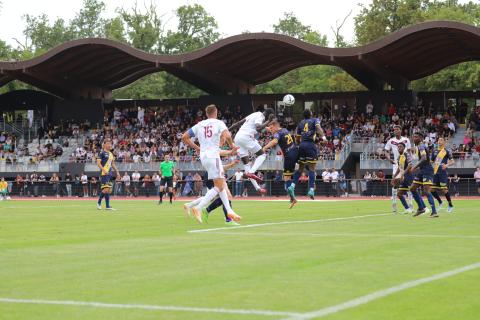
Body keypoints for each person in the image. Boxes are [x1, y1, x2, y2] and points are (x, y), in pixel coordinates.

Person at [182, 104, 241, 223]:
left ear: (206, 114)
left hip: (204, 157)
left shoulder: (200, 124)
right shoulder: (219, 123)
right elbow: (227, 135)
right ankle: (198, 207)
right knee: (219, 186)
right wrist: (232, 145)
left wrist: (197, 147)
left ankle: (229, 211)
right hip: (213, 157)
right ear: (216, 112)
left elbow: (184, 137)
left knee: (221, 185)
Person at [229, 106, 275, 195]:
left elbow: (239, 123)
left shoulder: (254, 114)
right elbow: (258, 128)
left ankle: (257, 188)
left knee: (247, 164)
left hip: (238, 138)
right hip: (246, 137)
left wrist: (227, 130)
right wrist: (268, 121)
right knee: (262, 155)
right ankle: (251, 172)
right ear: (269, 115)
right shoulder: (261, 116)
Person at [288, 109, 327, 200]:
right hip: (310, 146)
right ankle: (311, 190)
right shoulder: (314, 120)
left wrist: (300, 143)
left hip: (302, 146)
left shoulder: (301, 123)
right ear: (310, 114)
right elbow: (318, 128)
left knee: (300, 169)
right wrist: (324, 137)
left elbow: (297, 138)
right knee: (312, 169)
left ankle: (292, 186)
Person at [263, 119, 299, 207]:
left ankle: (292, 197)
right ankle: (293, 196)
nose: (271, 130)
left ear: (275, 126)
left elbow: (275, 141)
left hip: (288, 155)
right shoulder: (284, 130)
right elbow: (271, 128)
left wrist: (264, 147)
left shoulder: (277, 133)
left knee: (286, 178)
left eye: (272, 128)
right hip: (295, 151)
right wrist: (265, 127)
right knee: (300, 169)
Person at [384, 125, 412, 213]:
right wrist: (389, 159)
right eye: (394, 130)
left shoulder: (406, 140)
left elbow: (410, 151)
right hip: (396, 164)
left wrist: (410, 162)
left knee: (408, 184)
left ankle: (410, 205)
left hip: (406, 164)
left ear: (401, 130)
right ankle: (394, 205)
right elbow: (386, 151)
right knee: (395, 184)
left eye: (397, 129)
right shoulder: (391, 141)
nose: (395, 131)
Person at [410, 132, 438, 218]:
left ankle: (434, 212)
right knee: (412, 188)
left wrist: (414, 167)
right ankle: (421, 208)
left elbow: (424, 158)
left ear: (420, 139)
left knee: (426, 190)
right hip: (422, 170)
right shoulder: (419, 147)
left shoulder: (421, 146)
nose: (414, 138)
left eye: (416, 137)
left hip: (427, 170)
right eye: (413, 137)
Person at [430, 137, 455, 213]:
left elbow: (452, 161)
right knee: (432, 189)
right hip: (435, 173)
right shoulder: (434, 151)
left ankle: (450, 205)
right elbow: (431, 162)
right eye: (438, 140)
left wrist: (446, 165)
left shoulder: (446, 151)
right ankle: (440, 202)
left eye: (441, 140)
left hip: (443, 173)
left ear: (444, 142)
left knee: (444, 189)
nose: (439, 141)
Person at [96, 139, 121, 210]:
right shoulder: (102, 153)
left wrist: (117, 172)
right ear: (104, 145)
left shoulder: (111, 154)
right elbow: (98, 163)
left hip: (109, 173)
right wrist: (104, 170)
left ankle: (107, 206)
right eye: (108, 144)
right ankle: (98, 203)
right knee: (106, 189)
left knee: (108, 190)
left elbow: (112, 164)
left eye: (110, 144)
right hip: (104, 173)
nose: (110, 145)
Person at [391, 142, 413, 214]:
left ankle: (422, 207)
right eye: (398, 147)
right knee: (399, 194)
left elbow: (410, 165)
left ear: (404, 148)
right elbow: (399, 168)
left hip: (409, 176)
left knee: (413, 192)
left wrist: (403, 173)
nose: (399, 148)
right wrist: (394, 176)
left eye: (400, 147)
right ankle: (407, 209)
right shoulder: (399, 157)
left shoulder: (407, 154)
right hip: (403, 177)